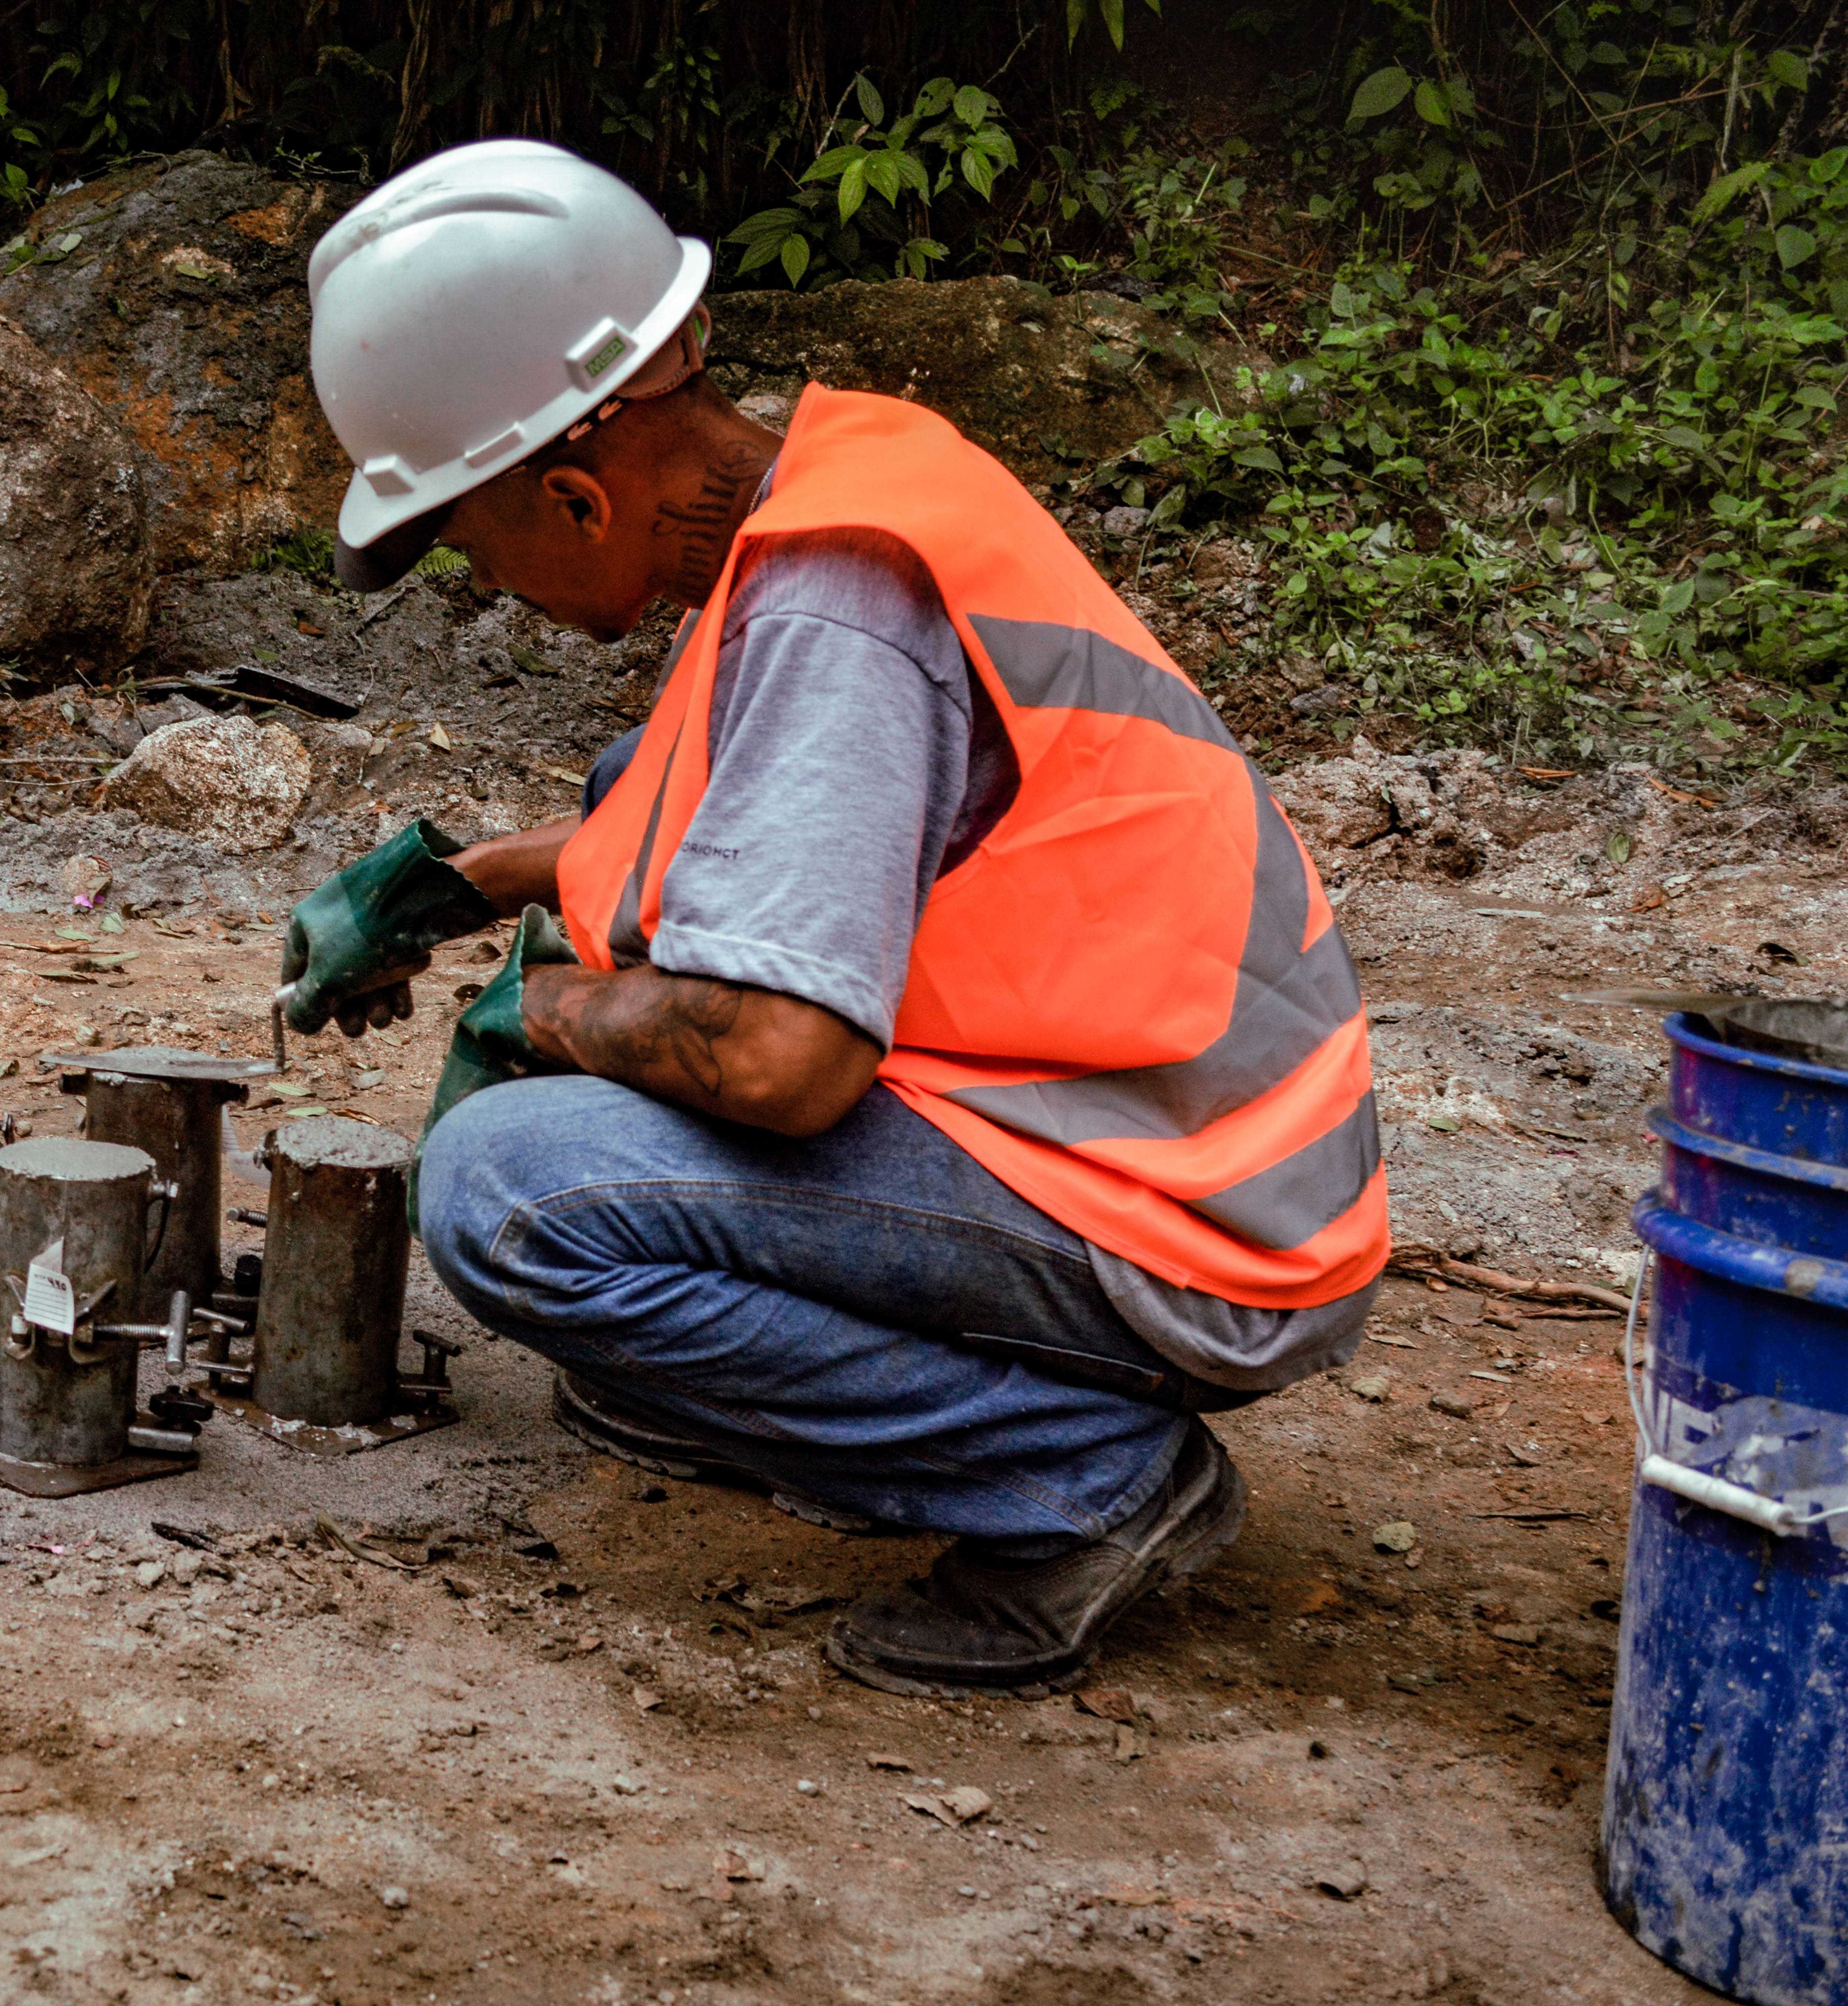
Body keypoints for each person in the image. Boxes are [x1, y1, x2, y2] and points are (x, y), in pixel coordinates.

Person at [278, 139, 1385, 1697]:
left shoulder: (829, 610)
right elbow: (681, 816)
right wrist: (473, 886)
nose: (487, 582)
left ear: (579, 491)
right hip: (1164, 1121)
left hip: (1188, 1217)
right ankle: (736, 1381)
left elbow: (785, 1062)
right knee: (615, 859)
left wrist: (542, 1013)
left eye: (471, 540)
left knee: (503, 1192)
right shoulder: (852, 488)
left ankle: (1087, 1482)